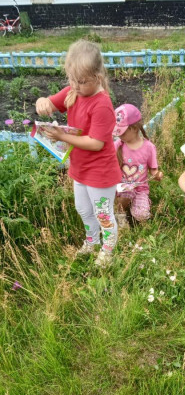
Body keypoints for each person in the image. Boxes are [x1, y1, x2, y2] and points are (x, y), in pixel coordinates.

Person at [35, 39, 122, 266]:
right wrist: (42, 102)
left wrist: (62, 136)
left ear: (98, 77)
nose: (74, 85)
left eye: (81, 81)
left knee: (103, 214)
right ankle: (91, 241)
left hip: (100, 172)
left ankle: (108, 249)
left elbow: (96, 143)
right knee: (83, 209)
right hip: (80, 168)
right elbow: (51, 102)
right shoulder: (74, 91)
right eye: (71, 79)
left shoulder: (101, 104)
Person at [113, 104, 163, 228]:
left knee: (142, 215)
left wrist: (156, 174)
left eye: (122, 132)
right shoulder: (118, 145)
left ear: (135, 128)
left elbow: (153, 168)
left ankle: (136, 207)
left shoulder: (148, 147)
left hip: (140, 188)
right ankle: (120, 213)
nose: (119, 135)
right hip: (121, 187)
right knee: (127, 193)